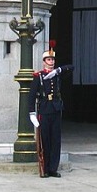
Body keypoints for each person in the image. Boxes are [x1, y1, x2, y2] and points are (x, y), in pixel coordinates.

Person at [28, 42, 74, 178]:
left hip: (56, 109)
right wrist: (32, 113)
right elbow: (31, 96)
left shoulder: (57, 74)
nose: (51, 62)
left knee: (55, 140)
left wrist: (58, 70)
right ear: (44, 62)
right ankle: (45, 168)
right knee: (45, 140)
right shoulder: (39, 76)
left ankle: (53, 168)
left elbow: (71, 67)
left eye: (53, 59)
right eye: (49, 59)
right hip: (44, 110)